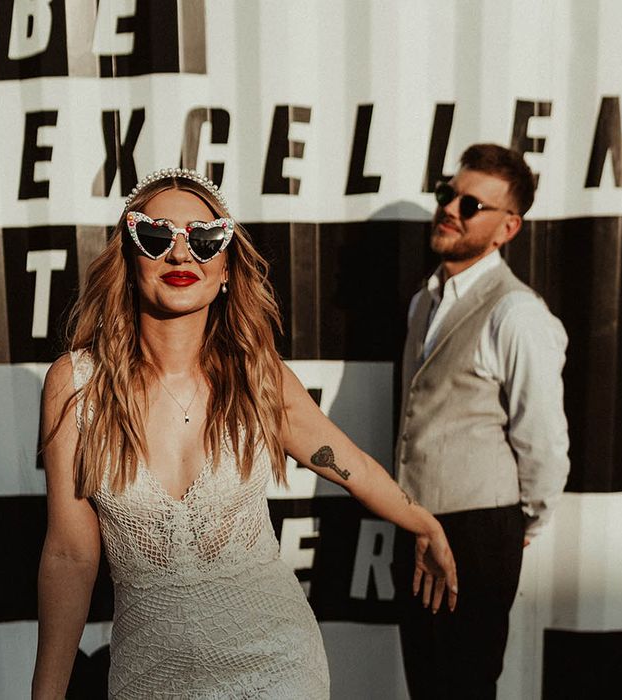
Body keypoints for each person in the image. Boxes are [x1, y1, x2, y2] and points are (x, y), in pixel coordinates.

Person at [31, 168, 458, 699]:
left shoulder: (259, 377)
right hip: (151, 674)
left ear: (227, 266)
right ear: (129, 255)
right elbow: (71, 555)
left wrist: (424, 524)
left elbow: (352, 466)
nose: (182, 256)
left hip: (276, 662)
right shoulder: (76, 386)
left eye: (207, 241)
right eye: (157, 236)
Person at [394, 144, 570, 699]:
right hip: (416, 526)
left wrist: (517, 528)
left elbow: (543, 442)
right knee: (428, 687)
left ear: (506, 228)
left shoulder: (516, 313)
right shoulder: (424, 301)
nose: (450, 208)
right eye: (449, 193)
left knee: (465, 689)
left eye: (471, 204)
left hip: (478, 533)